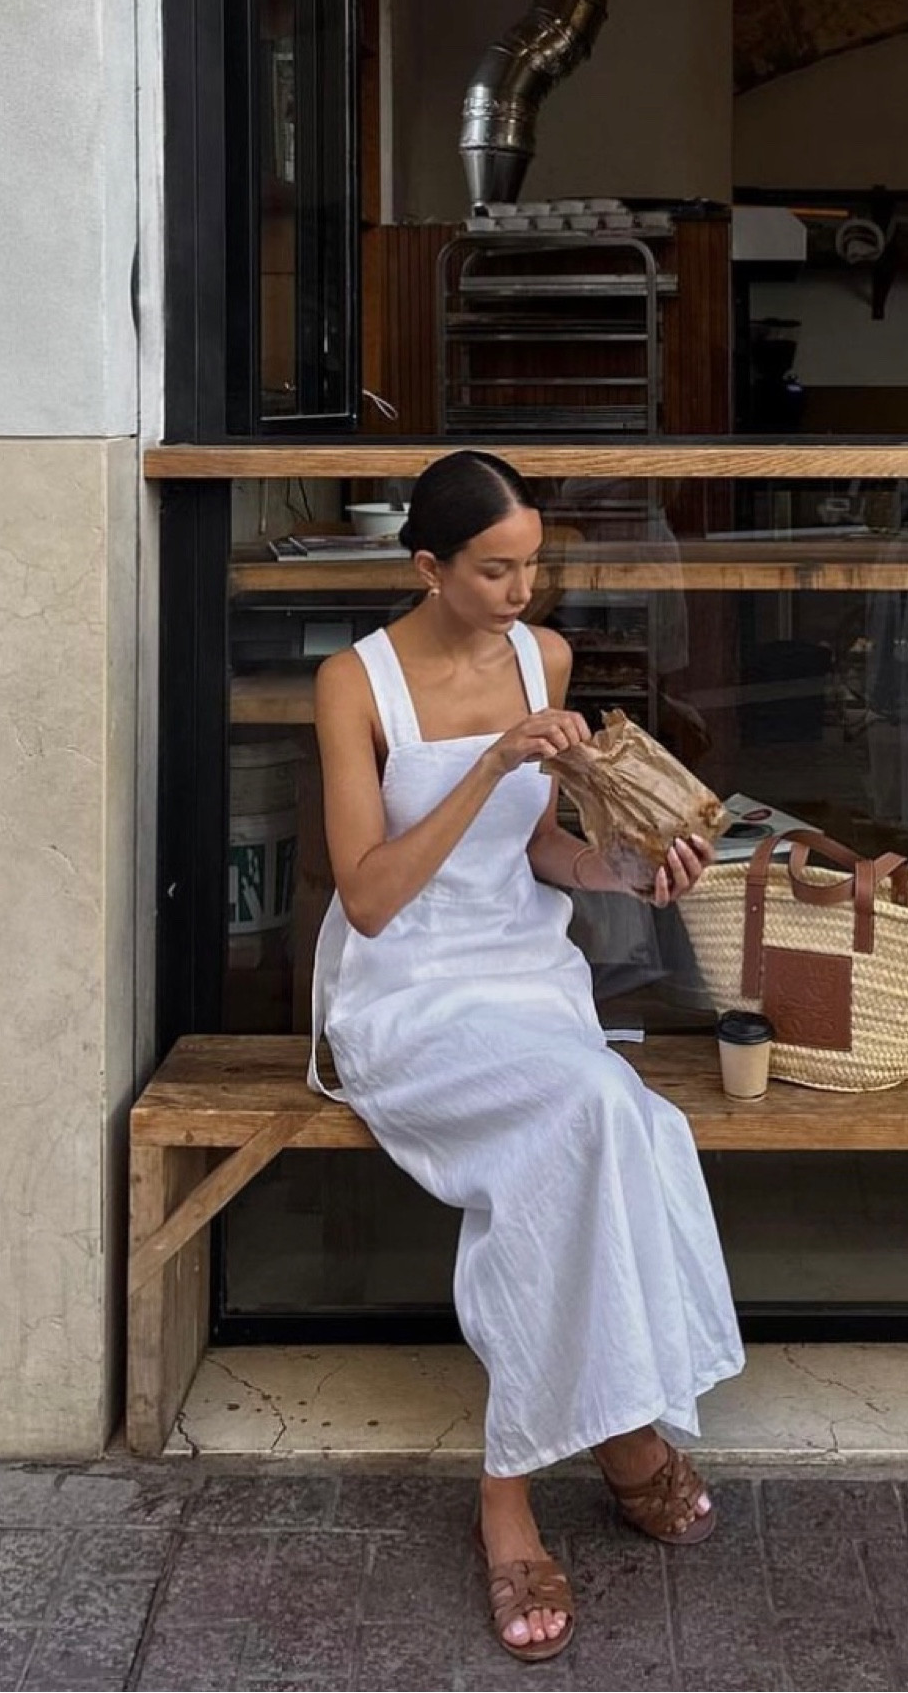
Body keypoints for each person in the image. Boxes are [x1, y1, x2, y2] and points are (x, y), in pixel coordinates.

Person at [310, 449, 744, 1664]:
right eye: (494, 570)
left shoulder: (541, 661)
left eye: (532, 566)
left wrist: (628, 875)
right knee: (596, 1117)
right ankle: (565, 1466)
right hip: (405, 997)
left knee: (610, 1121)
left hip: (526, 979)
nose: (521, 592)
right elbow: (373, 897)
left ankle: (589, 1442)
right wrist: (494, 761)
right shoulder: (356, 686)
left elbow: (545, 852)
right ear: (427, 566)